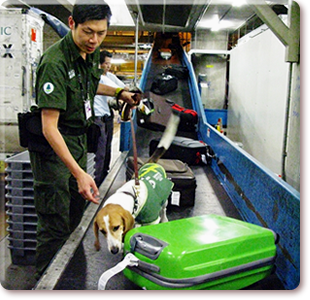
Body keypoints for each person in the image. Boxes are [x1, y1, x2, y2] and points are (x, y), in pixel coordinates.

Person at [29, 1, 138, 279]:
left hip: (76, 144)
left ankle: (69, 279)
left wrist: (118, 92)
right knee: (54, 225)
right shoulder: (54, 63)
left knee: (75, 217)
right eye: (88, 31)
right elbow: (49, 127)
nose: (94, 40)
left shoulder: (90, 53)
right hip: (53, 152)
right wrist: (79, 172)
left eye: (101, 33)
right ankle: (47, 284)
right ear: (71, 23)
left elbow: (90, 86)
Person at [93, 50, 128, 187]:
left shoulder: (109, 76)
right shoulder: (98, 78)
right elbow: (120, 90)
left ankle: (104, 177)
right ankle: (97, 182)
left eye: (109, 63)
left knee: (107, 150)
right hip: (98, 118)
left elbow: (123, 87)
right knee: (100, 152)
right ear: (99, 63)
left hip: (107, 117)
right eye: (106, 63)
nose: (108, 66)